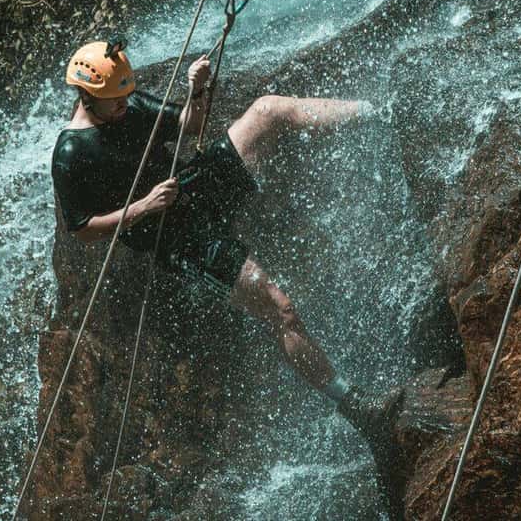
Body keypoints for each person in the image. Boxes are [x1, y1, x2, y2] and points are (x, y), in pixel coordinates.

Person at [49, 38, 402, 450]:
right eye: (115, 101)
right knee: (280, 308)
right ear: (88, 97)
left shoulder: (125, 106)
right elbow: (82, 229)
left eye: (126, 96)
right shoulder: (71, 153)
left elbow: (191, 126)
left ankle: (384, 111)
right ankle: (358, 407)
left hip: (190, 188)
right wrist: (142, 207)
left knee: (269, 110)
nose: (125, 106)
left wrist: (196, 90)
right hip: (177, 239)